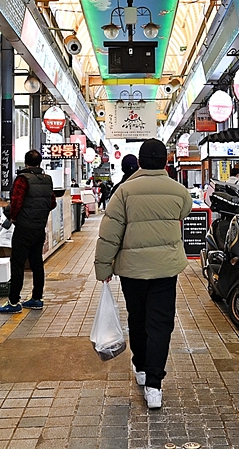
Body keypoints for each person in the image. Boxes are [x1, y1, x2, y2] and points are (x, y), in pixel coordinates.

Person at [94, 139, 192, 410]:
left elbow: (110, 232)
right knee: (160, 324)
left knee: (137, 319)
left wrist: (103, 267)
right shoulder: (178, 191)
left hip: (132, 271)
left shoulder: (124, 192)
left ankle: (140, 366)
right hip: (165, 269)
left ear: (139, 162)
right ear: (164, 162)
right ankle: (154, 386)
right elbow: (186, 211)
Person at [0, 150, 57, 313]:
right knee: (37, 262)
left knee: (17, 264)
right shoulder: (47, 179)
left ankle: (14, 302)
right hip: (39, 228)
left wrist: (13, 218)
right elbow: (52, 203)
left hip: (23, 228)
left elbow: (16, 202)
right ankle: (37, 298)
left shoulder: (22, 179)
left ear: (26, 162)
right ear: (40, 162)